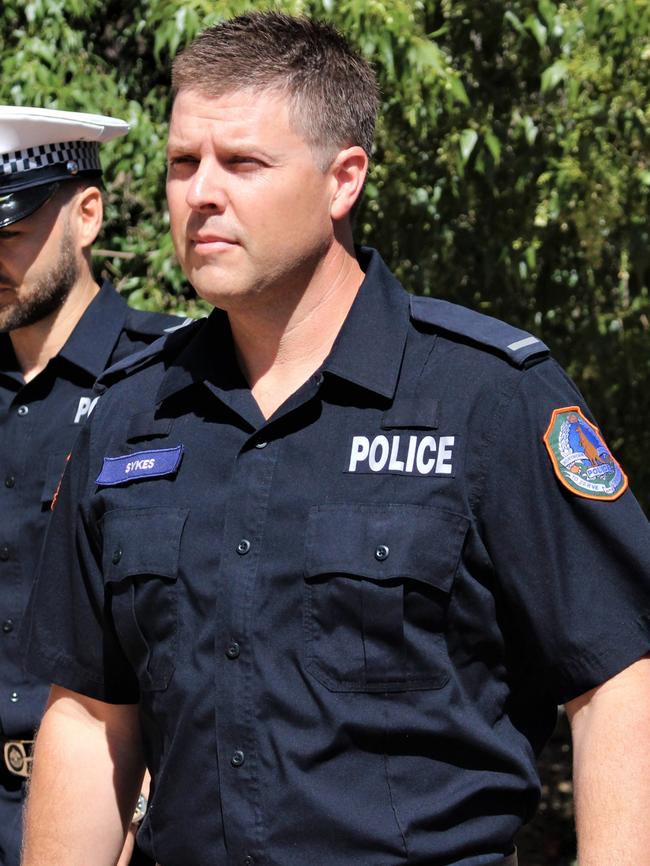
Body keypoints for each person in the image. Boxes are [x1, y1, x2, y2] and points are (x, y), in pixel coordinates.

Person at [21, 13, 650, 866]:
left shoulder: (484, 396)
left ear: (342, 179)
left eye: (242, 162)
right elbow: (90, 712)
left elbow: (619, 680)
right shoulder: (130, 414)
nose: (200, 192)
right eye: (182, 163)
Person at [0, 105, 180, 865]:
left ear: (87, 214)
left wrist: (143, 803)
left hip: (105, 812)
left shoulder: (173, 379)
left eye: (7, 235)